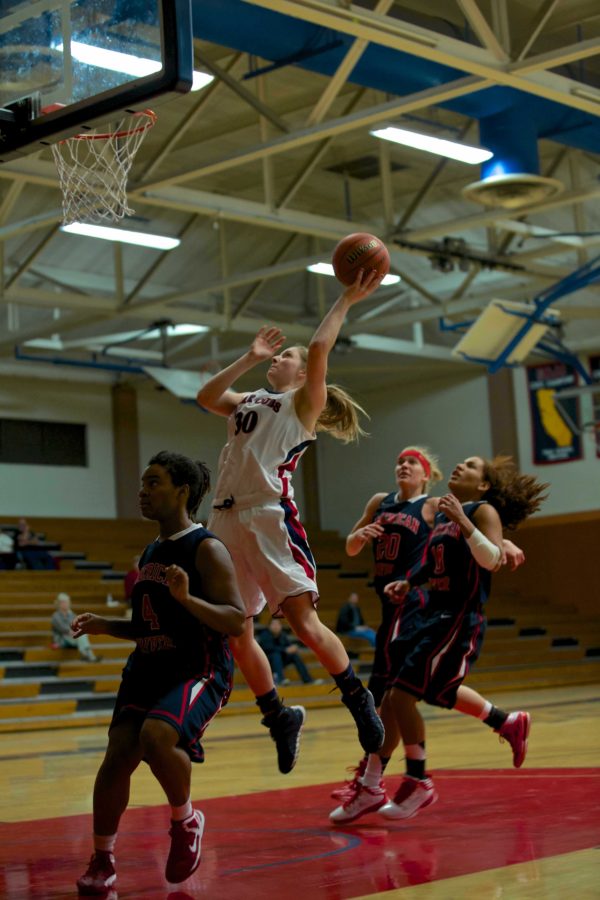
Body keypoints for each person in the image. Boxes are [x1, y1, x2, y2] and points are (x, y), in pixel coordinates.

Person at [197, 269, 385, 774]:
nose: (278, 358)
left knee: (303, 622)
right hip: (223, 520)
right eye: (278, 355)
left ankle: (357, 698)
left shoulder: (302, 404)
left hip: (268, 517)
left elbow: (320, 349)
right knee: (237, 632)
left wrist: (345, 299)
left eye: (285, 356)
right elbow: (207, 397)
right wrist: (249, 358)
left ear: (302, 375)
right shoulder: (249, 401)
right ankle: (279, 715)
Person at [329, 453, 547, 824]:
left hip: (456, 617)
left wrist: (488, 535)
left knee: (395, 695)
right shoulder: (443, 513)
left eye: (471, 466)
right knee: (417, 692)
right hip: (433, 614)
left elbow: (490, 556)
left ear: (483, 485)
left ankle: (395, 780)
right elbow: (432, 561)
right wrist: (409, 579)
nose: (460, 466)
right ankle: (501, 723)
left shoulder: (463, 510)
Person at [74, 451, 246, 893]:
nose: (143, 492)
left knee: (155, 737)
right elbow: (148, 626)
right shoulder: (150, 551)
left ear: (182, 492)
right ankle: (102, 858)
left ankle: (185, 822)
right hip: (148, 667)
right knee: (118, 755)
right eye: (143, 484)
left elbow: (234, 619)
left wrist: (188, 599)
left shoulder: (205, 547)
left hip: (198, 669)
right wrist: (103, 626)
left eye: (154, 483)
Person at [257, 618, 322, 685]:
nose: (276, 626)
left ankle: (307, 680)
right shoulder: (264, 635)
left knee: (294, 656)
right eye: (274, 624)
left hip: (280, 661)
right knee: (276, 655)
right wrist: (285, 650)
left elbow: (288, 646)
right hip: (267, 662)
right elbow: (269, 648)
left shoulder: (282, 635)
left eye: (278, 624)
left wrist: (293, 648)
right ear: (269, 626)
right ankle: (280, 679)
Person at [51, 592, 100, 662]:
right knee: (81, 635)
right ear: (59, 604)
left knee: (82, 634)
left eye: (66, 602)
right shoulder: (55, 616)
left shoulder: (71, 614)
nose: (65, 604)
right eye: (63, 602)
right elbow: (62, 629)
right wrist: (72, 631)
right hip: (61, 639)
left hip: (72, 637)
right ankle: (89, 656)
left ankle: (87, 655)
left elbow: (77, 624)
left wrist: (76, 630)